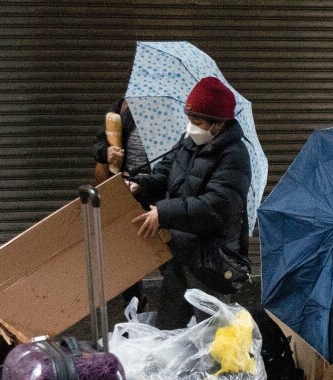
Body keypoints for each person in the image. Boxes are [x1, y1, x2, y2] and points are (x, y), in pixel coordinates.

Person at [128, 76, 252, 330]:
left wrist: (163, 212)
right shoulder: (189, 142)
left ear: (217, 124)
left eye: (197, 121)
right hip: (180, 252)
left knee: (213, 339)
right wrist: (142, 183)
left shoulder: (235, 155)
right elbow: (165, 172)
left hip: (210, 262)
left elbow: (215, 206)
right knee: (168, 331)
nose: (191, 126)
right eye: (189, 119)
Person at [92, 98, 152, 306]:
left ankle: (174, 320)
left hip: (158, 193)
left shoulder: (172, 112)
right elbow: (99, 142)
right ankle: (136, 310)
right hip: (126, 189)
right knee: (128, 256)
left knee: (168, 256)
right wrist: (106, 152)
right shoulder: (123, 107)